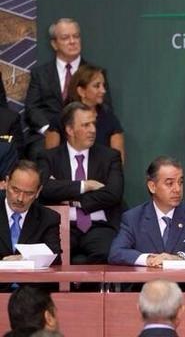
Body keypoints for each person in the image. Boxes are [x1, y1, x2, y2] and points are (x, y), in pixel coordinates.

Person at [39, 102, 123, 264]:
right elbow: (45, 189)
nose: (93, 130)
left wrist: (72, 198)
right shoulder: (49, 158)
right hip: (61, 225)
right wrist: (86, 185)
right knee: (52, 256)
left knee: (106, 253)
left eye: (93, 124)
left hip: (99, 226)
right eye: (86, 125)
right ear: (70, 130)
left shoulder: (110, 157)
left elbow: (114, 193)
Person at [24, 18, 111, 160]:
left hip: (84, 133)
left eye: (76, 36)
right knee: (37, 151)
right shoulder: (40, 74)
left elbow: (105, 107)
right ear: (54, 44)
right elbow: (32, 108)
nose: (72, 41)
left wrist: (83, 127)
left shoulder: (96, 74)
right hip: (47, 133)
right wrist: (50, 130)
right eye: (65, 38)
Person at [108, 156, 185, 267]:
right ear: (152, 186)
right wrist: (149, 259)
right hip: (147, 278)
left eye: (180, 182)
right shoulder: (133, 218)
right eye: (170, 183)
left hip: (182, 278)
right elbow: (116, 252)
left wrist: (178, 258)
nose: (177, 189)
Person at [45, 64, 124, 163]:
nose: (103, 91)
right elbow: (50, 161)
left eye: (103, 85)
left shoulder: (111, 120)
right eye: (97, 86)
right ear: (81, 91)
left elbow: (118, 163)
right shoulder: (59, 121)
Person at [1, 160, 61, 264]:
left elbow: (54, 257)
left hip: (30, 275)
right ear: (6, 183)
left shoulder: (48, 218)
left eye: (28, 193)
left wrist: (24, 258)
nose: (20, 198)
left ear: (38, 192)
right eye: (15, 190)